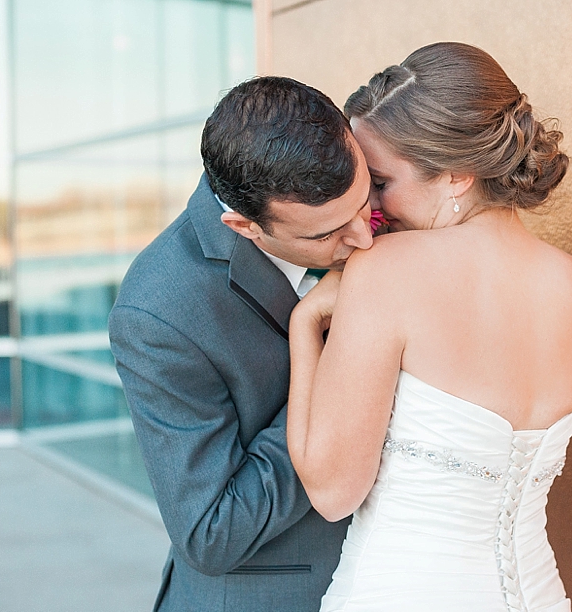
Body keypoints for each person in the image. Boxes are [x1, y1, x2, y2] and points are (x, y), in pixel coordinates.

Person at [286, 42, 572, 611]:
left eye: (380, 181)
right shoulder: (570, 282)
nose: (369, 209)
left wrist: (305, 325)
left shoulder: (385, 271)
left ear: (456, 175)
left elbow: (333, 493)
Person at [108, 76, 375, 611]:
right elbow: (213, 532)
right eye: (326, 235)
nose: (365, 238)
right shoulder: (159, 314)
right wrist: (332, 370)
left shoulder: (357, 202)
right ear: (245, 225)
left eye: (364, 203)